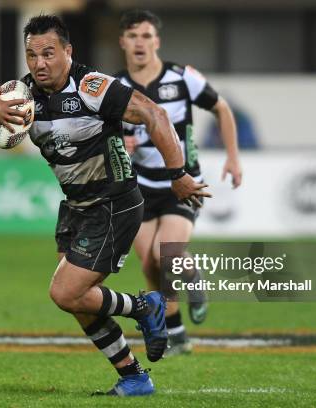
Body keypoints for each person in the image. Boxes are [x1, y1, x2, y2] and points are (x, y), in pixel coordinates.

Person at [0, 15, 210, 396]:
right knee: (79, 303)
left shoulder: (93, 87)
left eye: (48, 53)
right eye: (31, 55)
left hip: (113, 203)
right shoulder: (21, 97)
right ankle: (134, 376)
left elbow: (154, 114)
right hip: (77, 206)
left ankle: (144, 307)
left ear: (67, 51)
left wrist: (177, 173)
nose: (39, 63)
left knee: (65, 292)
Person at [116, 10, 242, 355]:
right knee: (149, 265)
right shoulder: (115, 87)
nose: (139, 43)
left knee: (168, 253)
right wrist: (118, 143)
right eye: (132, 36)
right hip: (139, 188)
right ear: (122, 42)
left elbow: (222, 109)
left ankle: (194, 278)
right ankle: (177, 335)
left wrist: (232, 156)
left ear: (156, 41)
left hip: (182, 183)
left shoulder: (182, 77)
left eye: (146, 36)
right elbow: (103, 134)